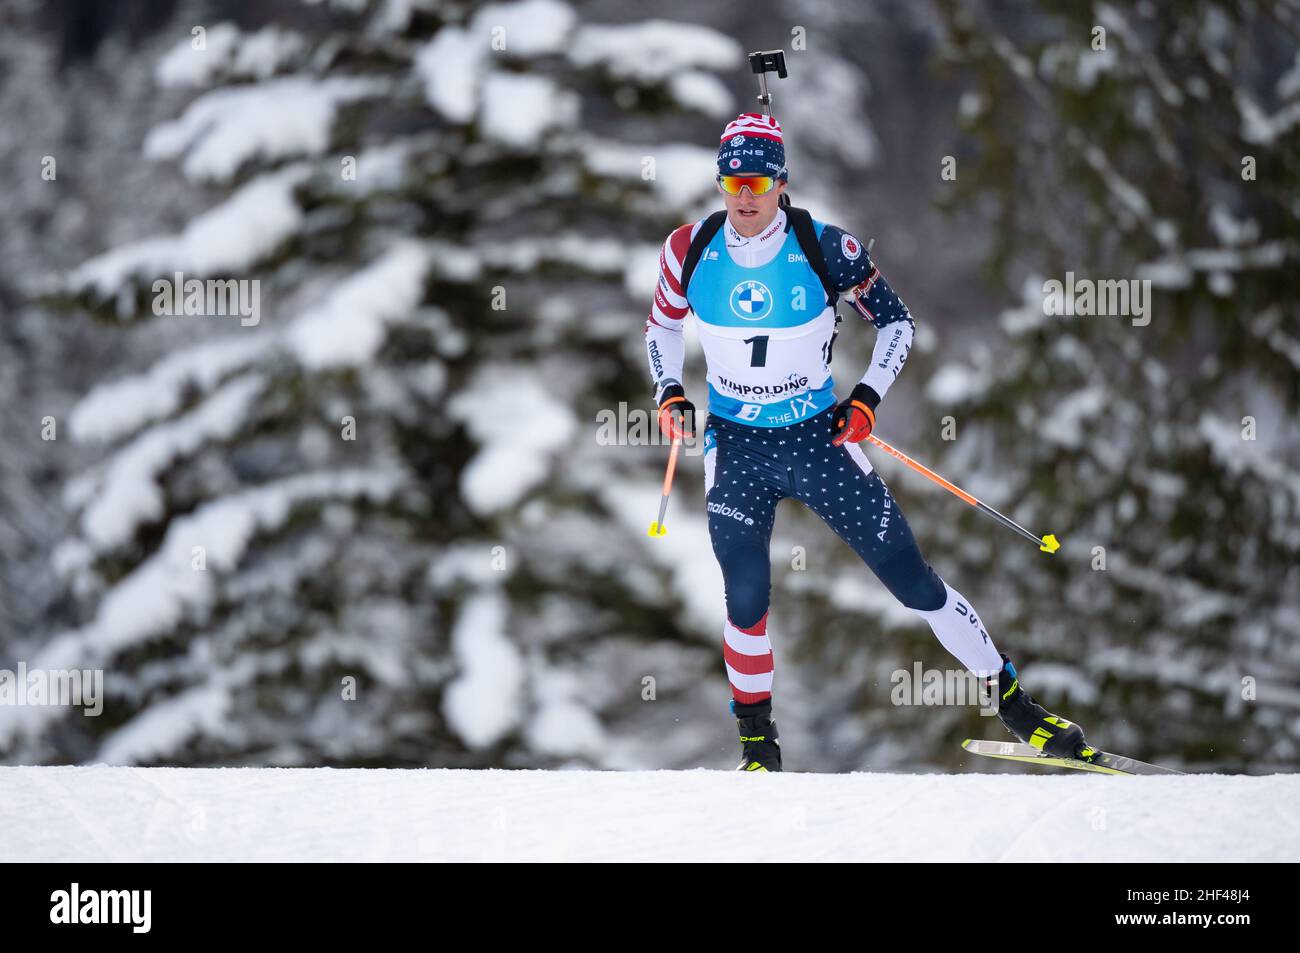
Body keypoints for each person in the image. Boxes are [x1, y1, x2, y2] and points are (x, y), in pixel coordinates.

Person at [643, 112, 1092, 771]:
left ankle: (1021, 709)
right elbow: (661, 326)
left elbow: (897, 326)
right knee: (744, 595)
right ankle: (758, 749)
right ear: (720, 181)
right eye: (734, 180)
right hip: (736, 447)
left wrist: (866, 398)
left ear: (781, 181)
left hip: (817, 441)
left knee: (911, 580)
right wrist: (668, 389)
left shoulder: (826, 248)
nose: (745, 195)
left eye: (759, 181)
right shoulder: (687, 249)